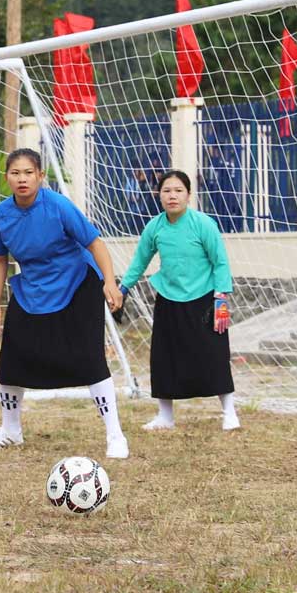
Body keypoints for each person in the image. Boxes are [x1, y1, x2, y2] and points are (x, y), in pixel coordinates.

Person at [0, 148, 129, 459]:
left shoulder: (58, 205)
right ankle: (10, 430)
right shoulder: (1, 215)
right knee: (12, 358)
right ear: (7, 178)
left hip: (76, 284)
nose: (22, 179)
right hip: (32, 288)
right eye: (16, 173)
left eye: (28, 173)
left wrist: (109, 282)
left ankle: (115, 434)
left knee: (90, 358)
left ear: (40, 176)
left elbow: (94, 242)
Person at [119, 170, 238, 432]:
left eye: (178, 191)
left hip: (205, 299)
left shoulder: (203, 224)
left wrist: (221, 300)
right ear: (158, 195)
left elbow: (220, 262)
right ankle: (165, 416)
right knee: (164, 358)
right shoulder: (155, 227)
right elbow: (140, 261)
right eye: (166, 191)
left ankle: (229, 412)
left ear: (188, 195)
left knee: (214, 355)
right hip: (169, 299)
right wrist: (123, 288)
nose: (172, 196)